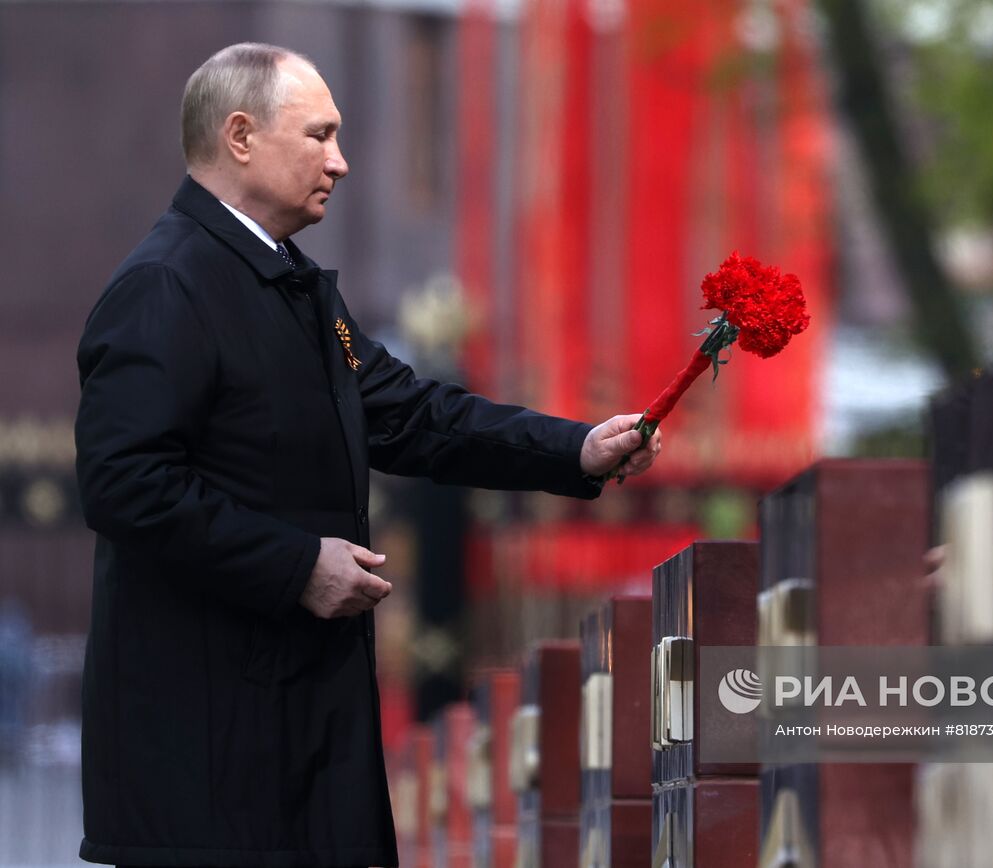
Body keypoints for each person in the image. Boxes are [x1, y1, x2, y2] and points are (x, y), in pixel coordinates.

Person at [73, 43, 659, 867]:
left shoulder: (290, 283)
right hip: (207, 761)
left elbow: (415, 416)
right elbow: (123, 484)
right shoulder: (166, 285)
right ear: (240, 137)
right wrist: (295, 565)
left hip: (296, 735)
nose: (340, 163)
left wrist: (574, 449)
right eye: (319, 135)